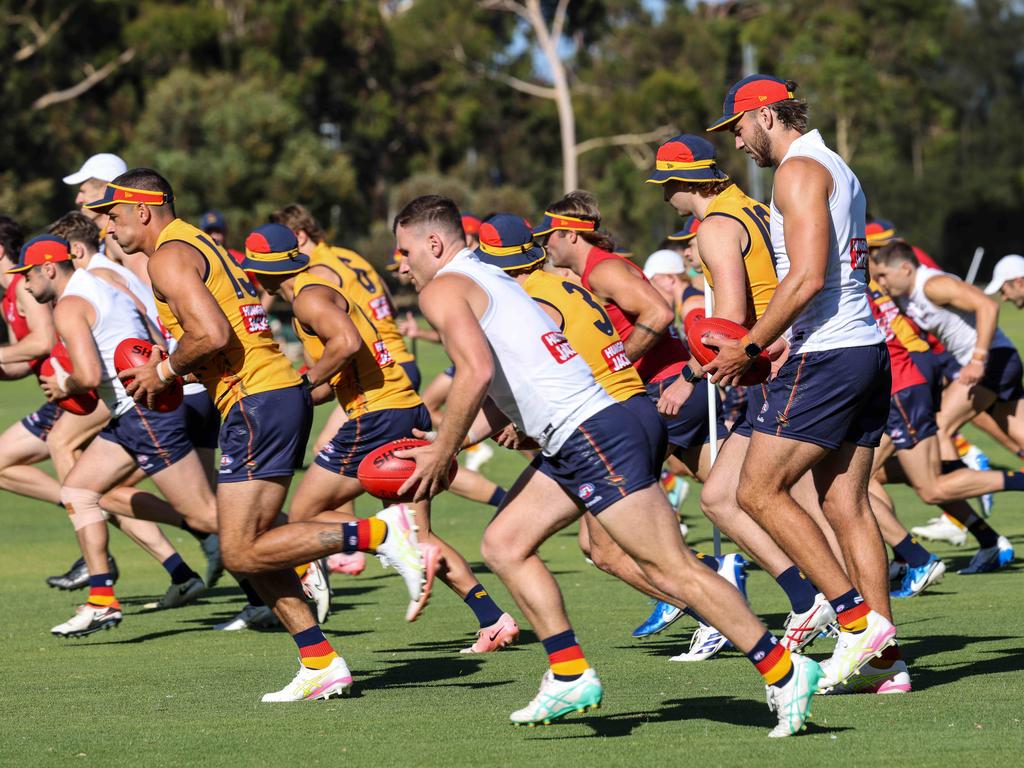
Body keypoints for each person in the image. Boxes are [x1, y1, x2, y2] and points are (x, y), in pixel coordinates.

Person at [394, 194, 821, 737]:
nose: (401, 264)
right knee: (505, 543)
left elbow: (475, 371)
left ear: (434, 243)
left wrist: (443, 449)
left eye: (405, 251)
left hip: (590, 432)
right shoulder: (487, 273)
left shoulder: (445, 288)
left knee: (674, 569)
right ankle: (569, 673)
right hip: (585, 429)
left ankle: (785, 670)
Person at [89, 169, 428, 701]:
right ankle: (320, 661)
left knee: (242, 552)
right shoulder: (196, 244)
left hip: (256, 401)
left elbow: (213, 334)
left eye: (113, 212)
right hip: (263, 398)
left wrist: (166, 371)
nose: (108, 223)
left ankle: (382, 536)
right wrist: (172, 360)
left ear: (145, 209)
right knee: (255, 546)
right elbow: (214, 332)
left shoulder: (168, 256)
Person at [706, 74, 897, 691]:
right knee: (846, 503)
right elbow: (831, 275)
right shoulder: (834, 163)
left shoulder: (797, 170)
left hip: (832, 355)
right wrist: (783, 335)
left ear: (765, 116)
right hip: (863, 347)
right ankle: (887, 664)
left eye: (737, 127)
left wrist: (751, 343)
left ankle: (853, 619)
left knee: (756, 492)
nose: (737, 142)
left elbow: (808, 276)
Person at [241, 223, 515, 652]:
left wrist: (301, 383)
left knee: (306, 513)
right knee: (421, 538)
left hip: (376, 416)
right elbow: (343, 367)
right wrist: (299, 395)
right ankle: (493, 618)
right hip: (403, 406)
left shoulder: (309, 299)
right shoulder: (321, 289)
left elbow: (346, 343)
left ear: (262, 272)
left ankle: (367, 540)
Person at [647, 133, 847, 660]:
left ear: (677, 184)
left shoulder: (715, 226)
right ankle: (810, 599)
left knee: (778, 496)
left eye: (663, 186)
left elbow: (731, 315)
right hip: (788, 357)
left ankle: (837, 603)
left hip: (772, 366)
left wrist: (690, 374)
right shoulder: (749, 205)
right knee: (721, 496)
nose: (662, 196)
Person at [538, 190, 748, 659]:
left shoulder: (604, 270)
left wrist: (618, 368)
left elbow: (657, 313)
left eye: (548, 235)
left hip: (662, 394)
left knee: (603, 547)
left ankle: (711, 605)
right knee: (746, 497)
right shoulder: (592, 272)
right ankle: (822, 595)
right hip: (668, 394)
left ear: (570, 232)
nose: (545, 245)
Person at [10, 235, 213, 636]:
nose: (27, 286)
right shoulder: (100, 284)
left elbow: (86, 375)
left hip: (146, 412)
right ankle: (102, 601)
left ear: (49, 269)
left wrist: (63, 384)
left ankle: (297, 551)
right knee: (79, 492)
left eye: (29, 275)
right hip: (137, 409)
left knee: (203, 513)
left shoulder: (69, 305)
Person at [870, 240, 1022, 573]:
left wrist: (978, 359)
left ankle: (957, 483)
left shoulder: (932, 284)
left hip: (992, 362)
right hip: (989, 363)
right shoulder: (904, 293)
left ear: (905, 269)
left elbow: (987, 306)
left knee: (939, 430)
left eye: (884, 275)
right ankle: (966, 506)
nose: (882, 283)